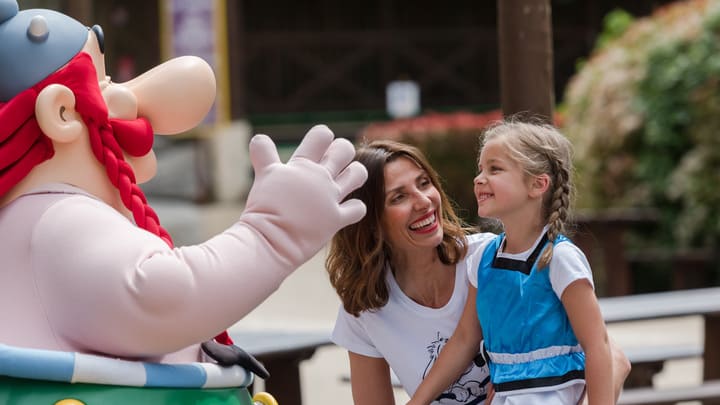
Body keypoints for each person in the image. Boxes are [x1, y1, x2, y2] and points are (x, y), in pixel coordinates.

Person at [0, 0, 366, 378]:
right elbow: (159, 297)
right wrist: (275, 233)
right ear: (62, 113)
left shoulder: (27, 220)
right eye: (105, 83)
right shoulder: (60, 222)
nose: (136, 99)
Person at [327, 138, 629, 405]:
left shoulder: (493, 256)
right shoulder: (364, 308)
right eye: (398, 197)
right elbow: (463, 340)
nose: (423, 202)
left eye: (423, 183)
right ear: (369, 222)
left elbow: (611, 356)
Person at [409, 120, 613, 405]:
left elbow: (598, 345)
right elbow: (465, 338)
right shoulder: (483, 259)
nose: (479, 178)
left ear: (537, 184)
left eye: (495, 169)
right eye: (480, 169)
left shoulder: (559, 258)